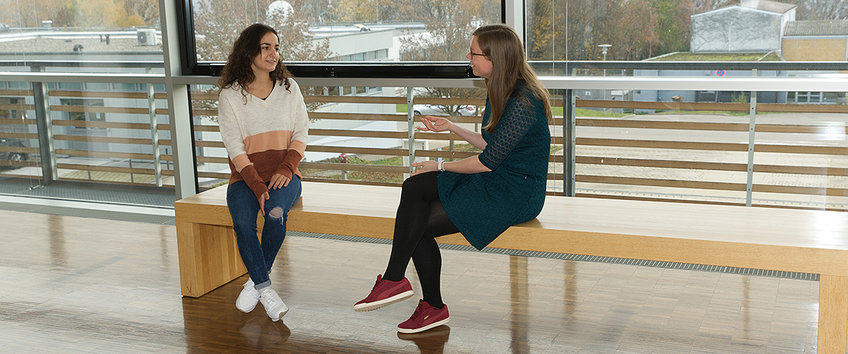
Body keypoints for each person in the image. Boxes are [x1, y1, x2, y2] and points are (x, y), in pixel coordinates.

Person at [353, 24, 552, 334]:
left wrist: (441, 165)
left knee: (416, 224)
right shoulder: (500, 86)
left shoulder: (523, 101)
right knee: (414, 187)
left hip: (517, 192)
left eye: (473, 53)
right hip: (499, 177)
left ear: (493, 58)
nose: (469, 59)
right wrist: (451, 126)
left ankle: (422, 299)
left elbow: (488, 162)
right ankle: (400, 283)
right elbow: (493, 146)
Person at [217, 23, 308, 322]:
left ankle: (256, 283)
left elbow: (301, 131)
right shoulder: (230, 96)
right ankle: (265, 289)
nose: (273, 54)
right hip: (245, 178)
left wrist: (286, 167)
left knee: (275, 211)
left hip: (286, 175)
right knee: (243, 222)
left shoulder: (288, 88)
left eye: (277, 48)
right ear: (249, 50)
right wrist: (256, 185)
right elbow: (234, 147)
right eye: (266, 47)